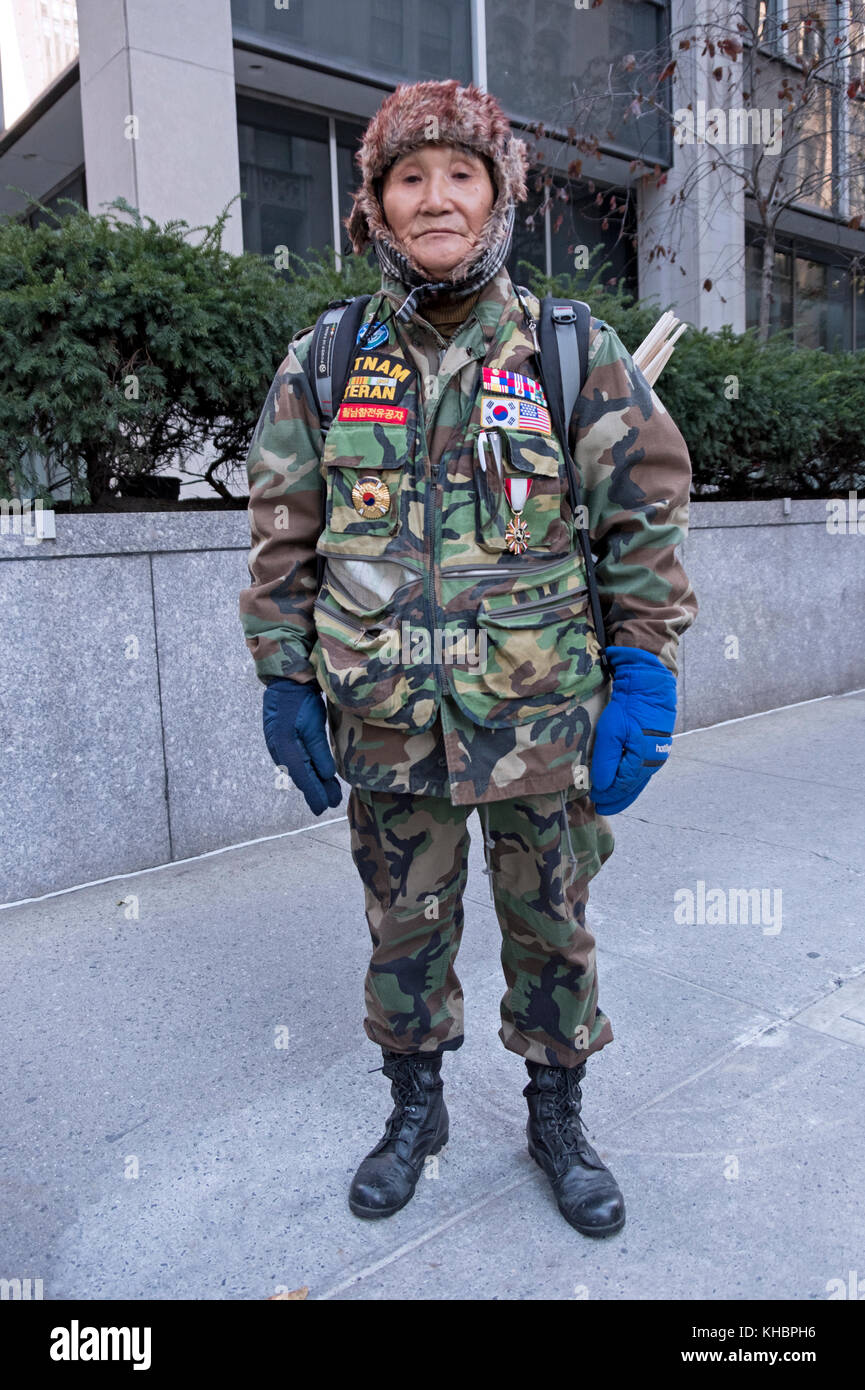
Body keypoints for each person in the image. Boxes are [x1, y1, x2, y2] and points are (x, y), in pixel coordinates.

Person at [239, 80, 698, 1239]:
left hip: (538, 720)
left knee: (550, 928)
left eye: (460, 173)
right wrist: (282, 673)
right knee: (405, 933)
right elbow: (281, 530)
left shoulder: (567, 348)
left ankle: (555, 1116)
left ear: (497, 196)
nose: (434, 195)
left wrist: (645, 667)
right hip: (388, 723)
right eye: (408, 176)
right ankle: (414, 1111)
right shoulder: (329, 356)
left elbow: (642, 513)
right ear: (376, 208)